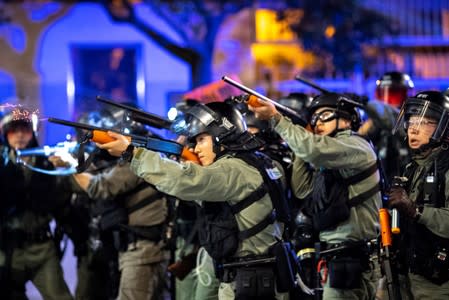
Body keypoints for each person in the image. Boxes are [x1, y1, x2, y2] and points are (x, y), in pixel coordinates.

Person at [97, 101, 292, 300]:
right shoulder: (259, 161)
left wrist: (132, 153)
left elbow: (184, 181)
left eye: (201, 140)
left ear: (220, 135)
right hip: (260, 275)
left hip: (250, 279)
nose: (196, 148)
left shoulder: (234, 169)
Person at [249, 92, 382, 299]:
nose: (318, 121)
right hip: (339, 258)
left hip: (357, 258)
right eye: (314, 118)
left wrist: (278, 120)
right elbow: (303, 189)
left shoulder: (355, 145)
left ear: (347, 120)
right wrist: (302, 138)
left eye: (325, 114)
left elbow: (312, 150)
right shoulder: (330, 158)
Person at [0, 108, 73, 300]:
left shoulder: (46, 163)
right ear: (5, 133)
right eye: (14, 130)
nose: (20, 135)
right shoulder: (2, 162)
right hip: (8, 248)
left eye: (25, 129)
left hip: (41, 247)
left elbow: (60, 203)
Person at [388, 90, 449, 299]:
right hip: (408, 271)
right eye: (412, 121)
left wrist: (415, 211)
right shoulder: (412, 167)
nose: (413, 129)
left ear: (444, 128)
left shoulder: (446, 168)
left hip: (438, 280)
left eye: (424, 122)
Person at [359, 71, 414, 181]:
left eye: (396, 95)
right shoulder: (372, 121)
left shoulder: (414, 120)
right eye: (385, 94)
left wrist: (367, 105)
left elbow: (393, 119)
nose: (390, 101)